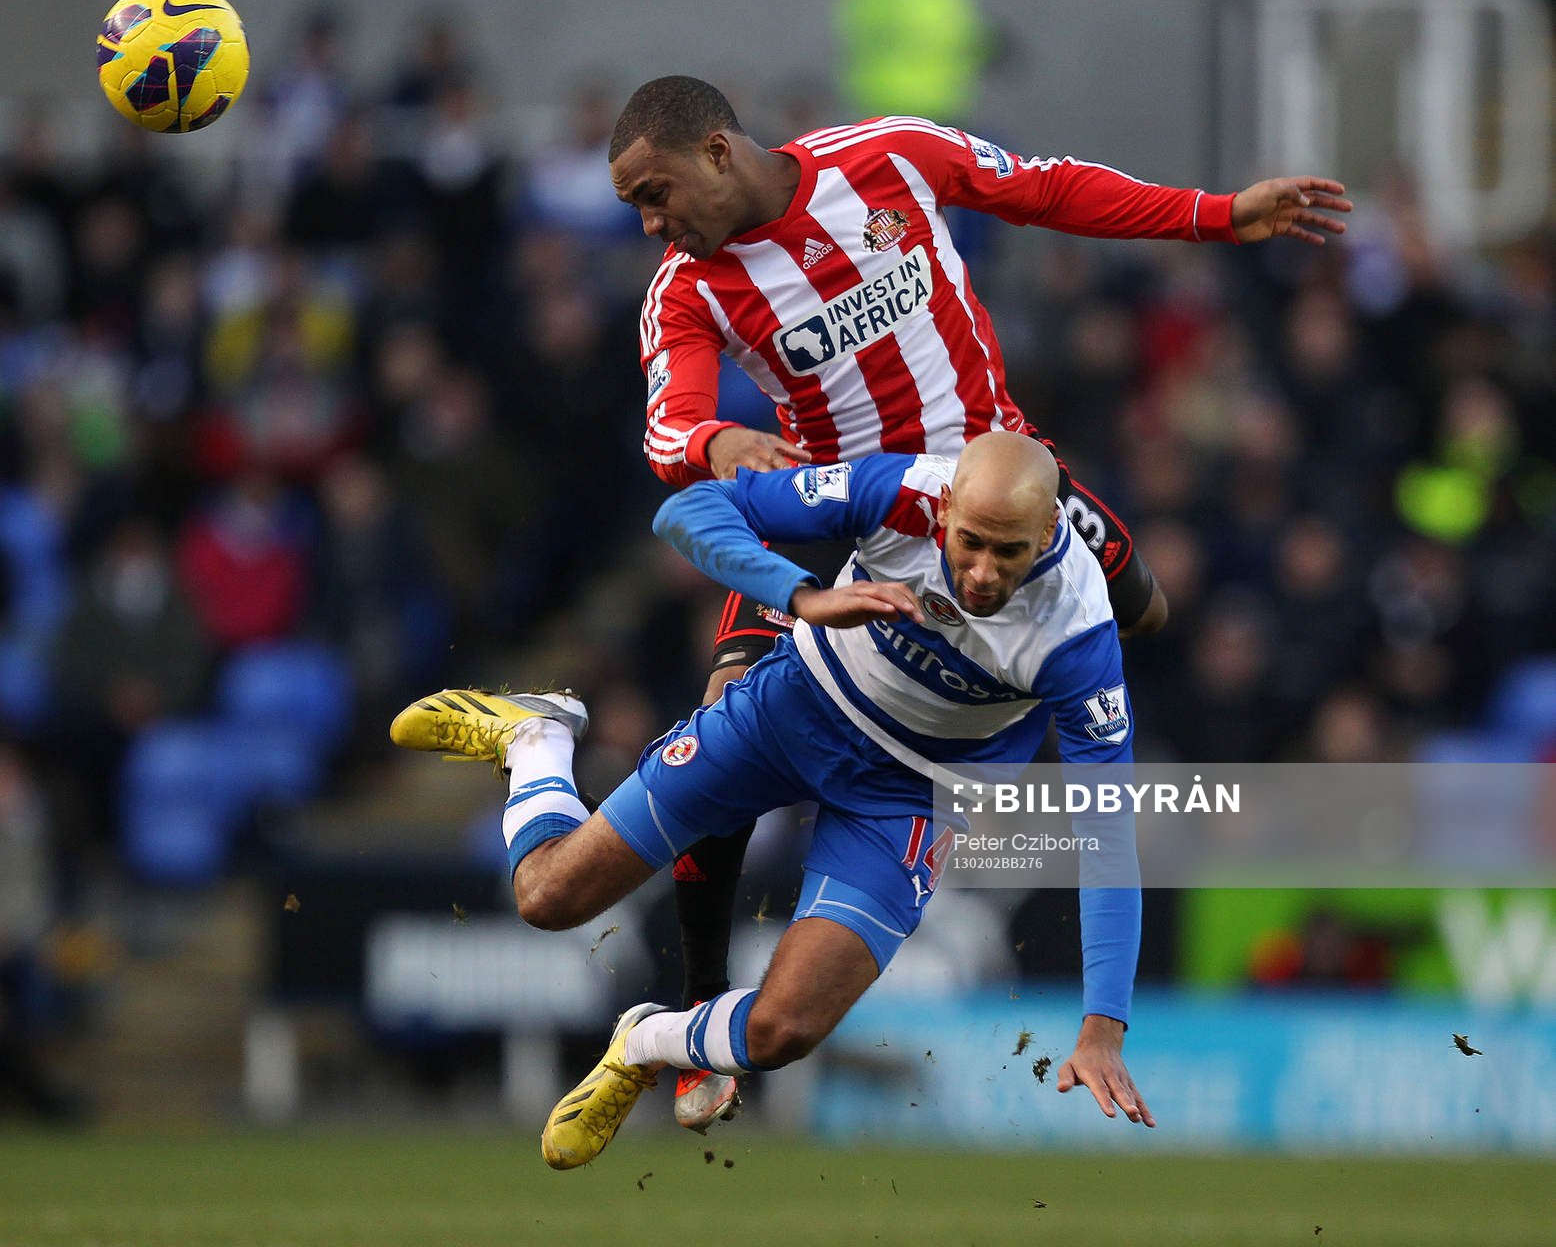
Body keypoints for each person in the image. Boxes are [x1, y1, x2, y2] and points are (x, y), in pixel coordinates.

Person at [609, 75, 1351, 1128]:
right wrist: (720, 440)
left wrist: (1214, 214)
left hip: (990, 490)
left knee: (1140, 601)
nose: (648, 220)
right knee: (723, 725)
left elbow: (1047, 191)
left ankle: (1117, 750)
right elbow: (665, 430)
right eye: (633, 204)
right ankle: (695, 1013)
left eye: (654, 189)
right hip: (841, 512)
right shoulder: (685, 289)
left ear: (717, 151)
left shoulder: (886, 158)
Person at [392, 434, 1153, 1169]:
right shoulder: (900, 491)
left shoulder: (1078, 634)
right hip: (788, 713)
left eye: (1008, 553)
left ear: (1051, 529)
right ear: (947, 505)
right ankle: (538, 738)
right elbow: (687, 513)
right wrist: (801, 596)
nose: (982, 573)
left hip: (910, 794)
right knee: (548, 896)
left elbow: (1107, 837)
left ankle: (644, 1042)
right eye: (970, 543)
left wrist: (1102, 1027)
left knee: (787, 1029)